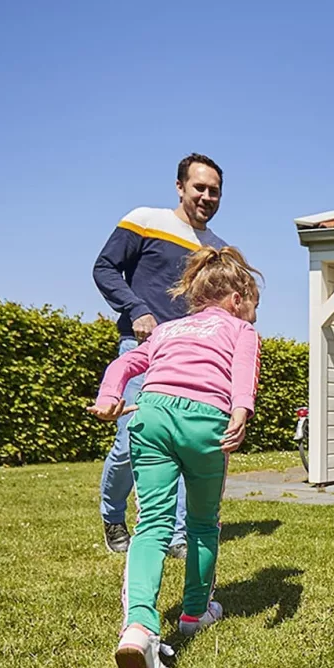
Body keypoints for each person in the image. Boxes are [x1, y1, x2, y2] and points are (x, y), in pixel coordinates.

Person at [89, 246, 262, 668]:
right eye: (254, 306)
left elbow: (127, 362)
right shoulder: (240, 330)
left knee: (151, 526)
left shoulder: (168, 329)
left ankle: (139, 627)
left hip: (151, 415)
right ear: (238, 298)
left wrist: (111, 395)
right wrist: (241, 411)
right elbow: (243, 373)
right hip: (206, 423)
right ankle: (194, 612)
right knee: (203, 524)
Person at [92, 153, 228, 557]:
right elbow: (105, 268)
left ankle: (177, 535)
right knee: (130, 440)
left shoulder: (218, 248)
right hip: (143, 348)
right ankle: (113, 515)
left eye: (214, 191)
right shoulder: (145, 221)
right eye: (199, 187)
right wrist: (137, 309)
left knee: (188, 442)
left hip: (190, 358)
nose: (206, 196)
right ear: (180, 186)